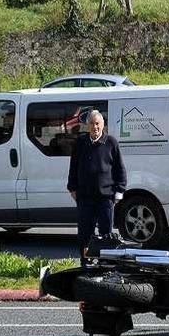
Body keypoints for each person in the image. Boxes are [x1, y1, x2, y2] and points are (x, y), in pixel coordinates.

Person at [67, 110, 127, 262]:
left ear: (103, 125)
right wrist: (72, 188)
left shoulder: (111, 142)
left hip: (106, 198)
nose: (95, 127)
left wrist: (119, 191)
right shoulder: (80, 143)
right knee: (84, 233)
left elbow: (120, 169)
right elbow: (73, 167)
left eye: (98, 124)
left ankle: (105, 263)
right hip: (85, 198)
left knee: (106, 233)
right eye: (92, 124)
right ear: (87, 126)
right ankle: (85, 262)